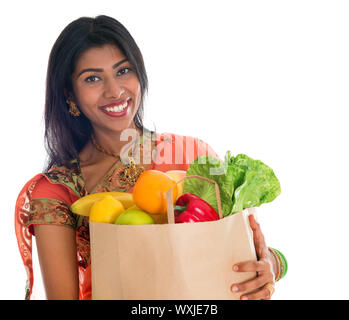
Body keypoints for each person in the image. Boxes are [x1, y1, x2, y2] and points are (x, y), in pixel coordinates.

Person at [14, 15, 287, 300]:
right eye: (93, 78)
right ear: (70, 94)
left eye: (123, 71)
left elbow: (249, 252)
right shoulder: (58, 191)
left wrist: (271, 264)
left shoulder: (194, 158)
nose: (115, 90)